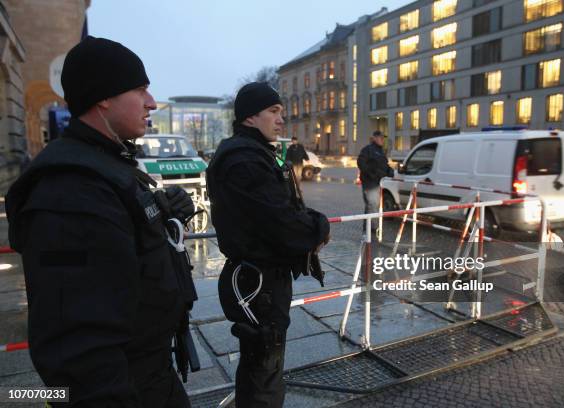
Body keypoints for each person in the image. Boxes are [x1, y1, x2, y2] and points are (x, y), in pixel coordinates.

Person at [6, 37, 197, 407]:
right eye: (140, 89)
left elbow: (122, 247)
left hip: (152, 371)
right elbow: (78, 344)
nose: (152, 102)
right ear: (103, 97)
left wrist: (165, 213)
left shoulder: (107, 163)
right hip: (127, 386)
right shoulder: (70, 190)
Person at [206, 82, 330, 408]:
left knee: (262, 367)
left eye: (281, 113)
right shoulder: (245, 161)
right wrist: (319, 227)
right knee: (264, 370)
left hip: (261, 279)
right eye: (274, 112)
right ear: (250, 117)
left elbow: (282, 209)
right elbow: (282, 222)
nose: (281, 120)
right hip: (258, 282)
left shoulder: (253, 154)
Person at [357, 130, 394, 231]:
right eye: (381, 138)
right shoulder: (368, 149)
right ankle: (373, 228)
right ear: (374, 138)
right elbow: (361, 162)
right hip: (370, 183)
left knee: (371, 205)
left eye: (383, 138)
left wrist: (392, 172)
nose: (382, 140)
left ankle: (367, 226)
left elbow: (384, 166)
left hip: (377, 183)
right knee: (373, 204)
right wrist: (371, 175)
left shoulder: (381, 151)